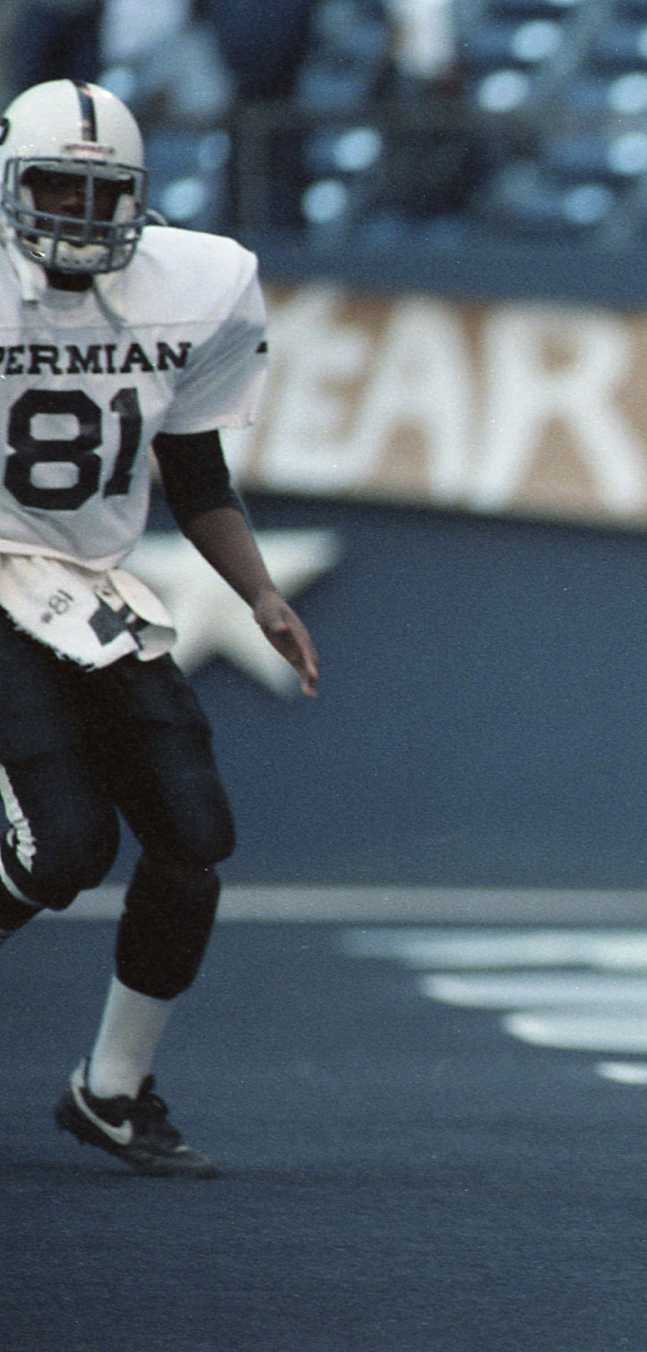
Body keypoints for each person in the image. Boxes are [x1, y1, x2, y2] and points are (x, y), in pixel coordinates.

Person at [0, 80, 318, 1178]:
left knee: (193, 837)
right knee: (65, 846)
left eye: (104, 196)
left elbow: (194, 470)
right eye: (54, 189)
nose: (78, 218)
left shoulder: (198, 282)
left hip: (88, 581)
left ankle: (112, 1090)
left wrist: (261, 592)